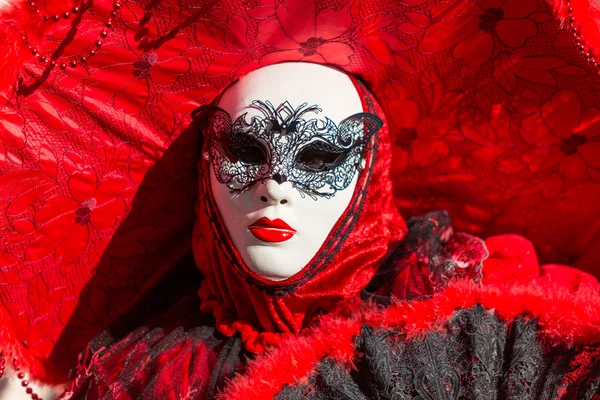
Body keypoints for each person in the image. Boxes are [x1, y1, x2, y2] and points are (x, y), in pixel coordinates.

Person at [58, 62, 600, 400]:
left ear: (372, 173)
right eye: (246, 151)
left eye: (319, 156)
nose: (274, 186)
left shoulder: (475, 293)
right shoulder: (143, 376)